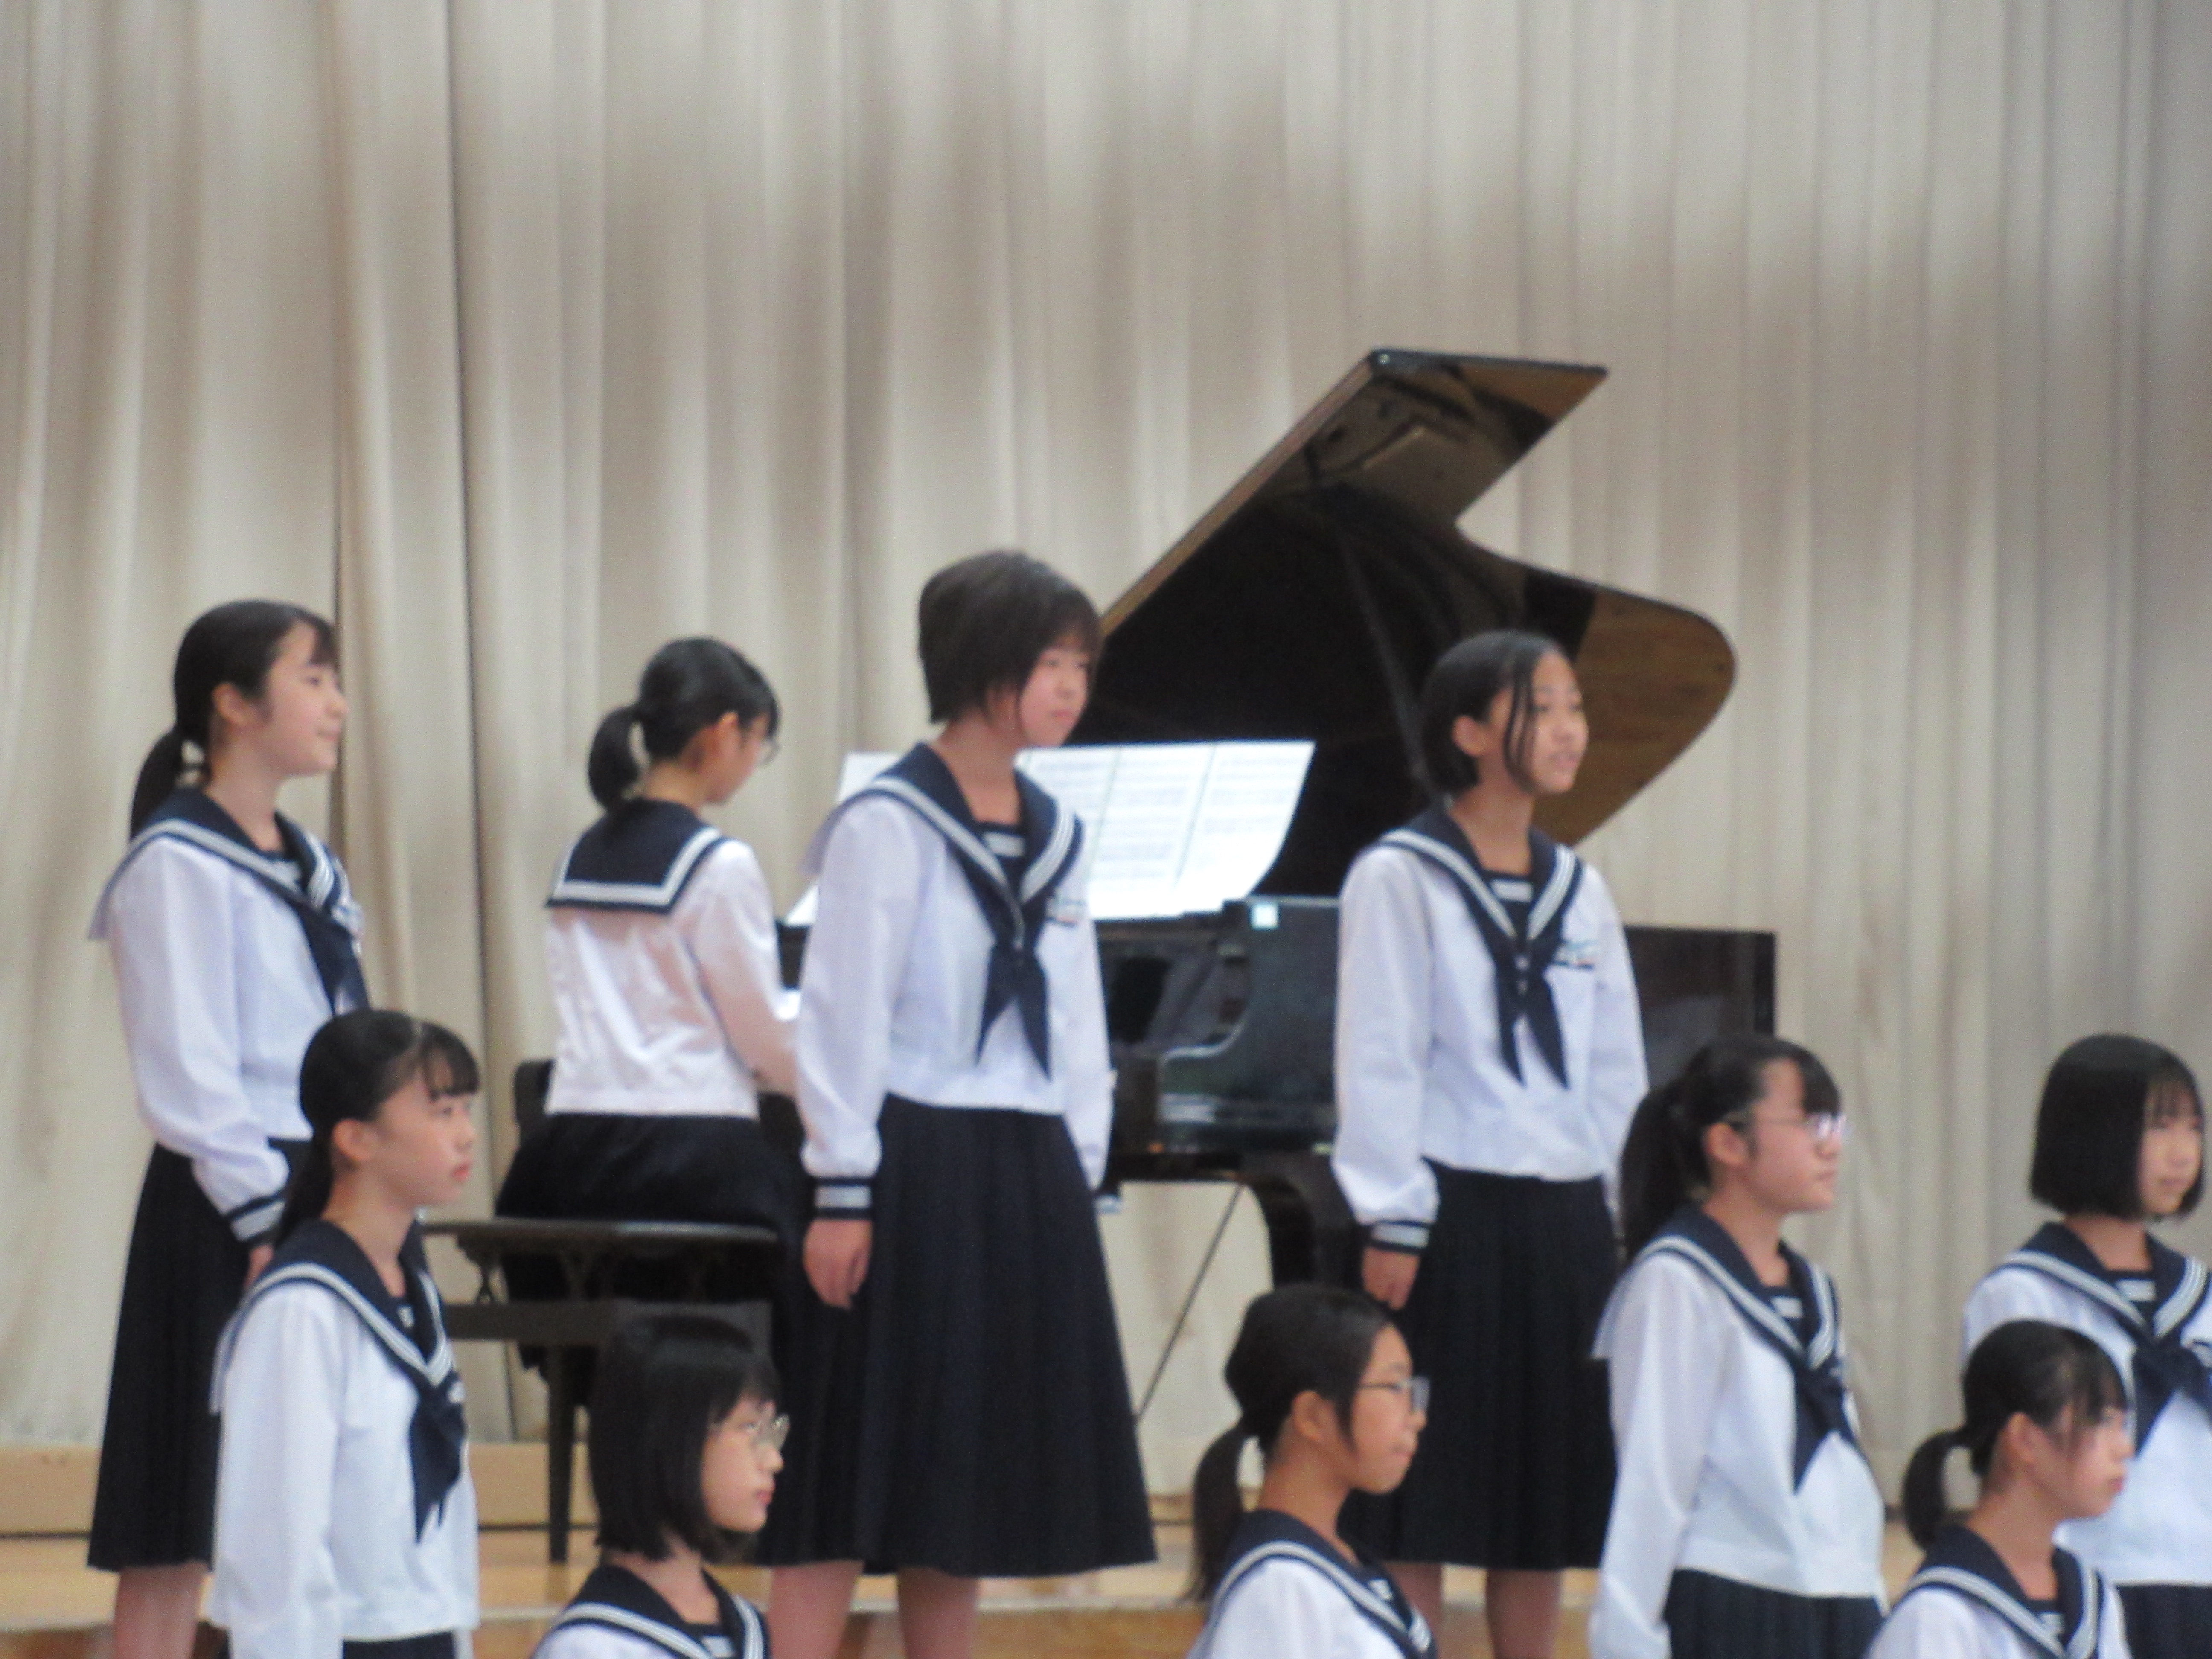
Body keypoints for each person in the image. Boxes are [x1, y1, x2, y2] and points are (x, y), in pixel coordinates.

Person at [760, 550, 1154, 1659]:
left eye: (1082, 665)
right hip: (909, 1154)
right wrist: (844, 1187)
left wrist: (1079, 1169)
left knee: (964, 1476)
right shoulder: (888, 821)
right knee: (843, 1461)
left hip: (1024, 1163)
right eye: (1049, 663)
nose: (1072, 687)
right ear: (982, 667)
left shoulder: (1057, 831)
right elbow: (844, 1014)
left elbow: (1077, 1020)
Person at [1331, 629, 1647, 1656]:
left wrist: (1623, 1209)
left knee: (1540, 1496)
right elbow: (1380, 1054)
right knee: (1420, 1484)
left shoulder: (1580, 887)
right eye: (1539, 708)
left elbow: (1615, 1067)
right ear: (1467, 732)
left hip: (1562, 1215)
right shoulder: (1401, 874)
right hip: (1446, 1211)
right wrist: (1392, 1211)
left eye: (1573, 707)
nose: (1568, 729)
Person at [87, 600, 363, 1659]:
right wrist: (263, 1220)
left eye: (335, 681)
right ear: (235, 705)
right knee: (181, 1505)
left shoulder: (312, 863)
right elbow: (190, 1074)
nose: (336, 704)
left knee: (315, 1498)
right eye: (313, 679)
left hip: (330, 1185)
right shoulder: (177, 861)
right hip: (228, 1201)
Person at [498, 638, 801, 1294]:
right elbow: (763, 1035)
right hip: (692, 1159)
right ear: (725, 733)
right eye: (759, 744)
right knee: (813, 1264)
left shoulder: (579, 855)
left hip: (570, 1155)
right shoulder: (718, 864)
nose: (754, 763)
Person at [1588, 1035, 1886, 1659]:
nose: (1831, 1146)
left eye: (1835, 1125)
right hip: (1735, 1594)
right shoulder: (1677, 1281)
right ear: (1727, 1143)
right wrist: (1630, 1639)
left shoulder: (1815, 1291)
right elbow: (1653, 1481)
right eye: (1810, 1123)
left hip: (1836, 1592)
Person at [207, 1009, 481, 1659]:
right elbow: (277, 1540)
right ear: (357, 1138)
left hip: (423, 1626)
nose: (467, 1135)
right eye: (441, 1112)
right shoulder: (302, 1309)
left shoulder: (414, 1292)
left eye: (466, 1111)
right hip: (341, 1639)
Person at [1961, 1035, 2210, 1656]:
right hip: (2090, 1587)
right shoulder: (2024, 1294)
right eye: (2158, 1126)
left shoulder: (2199, 1296)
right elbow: (2013, 1473)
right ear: (2091, 1135)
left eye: (2193, 1127)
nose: (2184, 1152)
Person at [1186, 1285, 1435, 1659]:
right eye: (1395, 1387)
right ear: (1313, 1416)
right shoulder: (1279, 1588)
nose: (1417, 1416)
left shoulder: (1332, 1563)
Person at [1872, 1319, 2134, 1659]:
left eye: (2122, 1425)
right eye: (2101, 1421)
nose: (2124, 1448)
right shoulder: (1939, 1616)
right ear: (2025, 1438)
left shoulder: (2093, 1599)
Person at [531, 1312, 784, 1659]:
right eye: (751, 1427)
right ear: (671, 1440)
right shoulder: (592, 1646)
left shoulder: (747, 1626)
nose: (774, 1459)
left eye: (773, 1431)